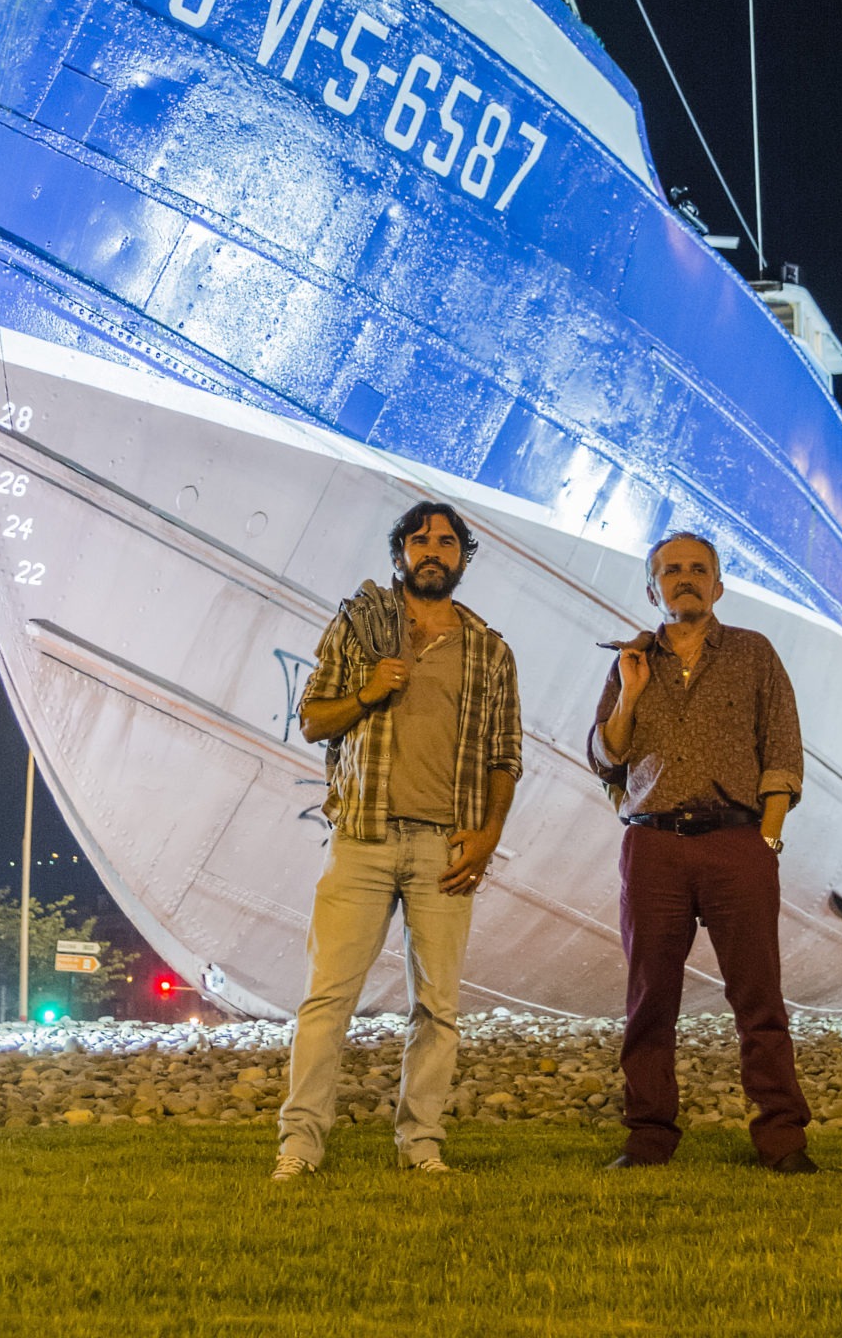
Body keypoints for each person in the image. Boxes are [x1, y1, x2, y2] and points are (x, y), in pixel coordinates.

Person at [272, 499, 523, 1180]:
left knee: (437, 1008)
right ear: (400, 554)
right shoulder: (359, 629)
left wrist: (489, 836)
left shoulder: (490, 650)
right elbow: (313, 721)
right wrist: (368, 692)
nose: (433, 551)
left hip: (447, 845)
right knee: (328, 999)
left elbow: (505, 754)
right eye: (420, 540)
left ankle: (421, 1144)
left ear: (463, 558)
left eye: (447, 542)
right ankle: (300, 1145)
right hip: (364, 837)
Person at [589, 530, 815, 1173]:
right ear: (652, 589)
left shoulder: (753, 652)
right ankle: (648, 1138)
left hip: (737, 842)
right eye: (671, 570)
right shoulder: (630, 661)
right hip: (653, 846)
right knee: (649, 1001)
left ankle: (782, 1139)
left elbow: (782, 750)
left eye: (697, 569)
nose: (684, 578)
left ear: (718, 586)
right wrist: (631, 692)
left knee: (759, 999)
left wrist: (766, 841)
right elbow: (605, 757)